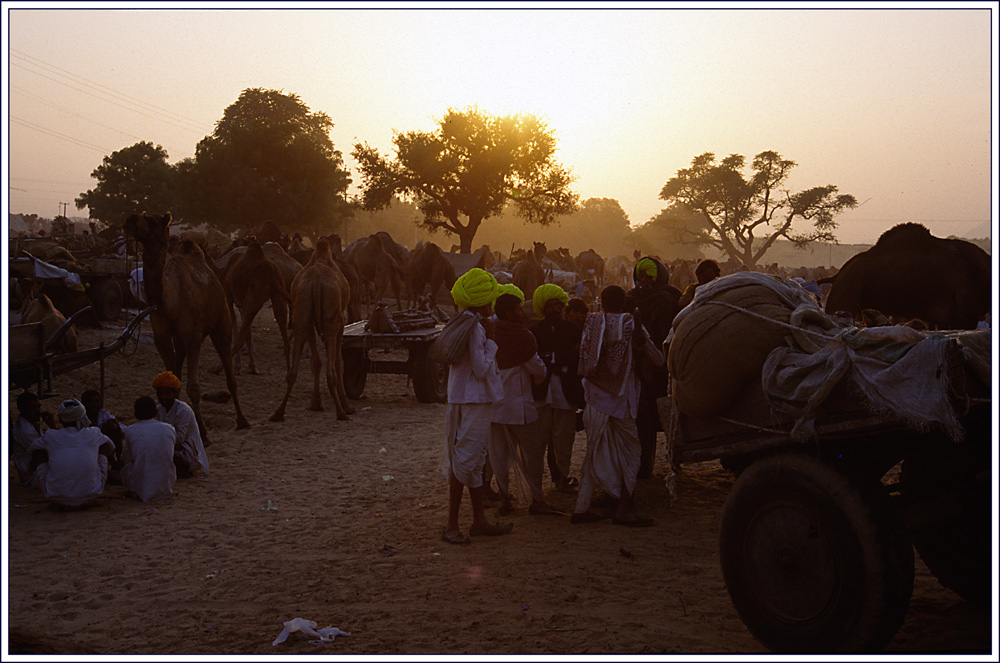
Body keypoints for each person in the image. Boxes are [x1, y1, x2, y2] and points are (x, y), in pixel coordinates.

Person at [572, 285, 664, 527]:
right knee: (631, 454)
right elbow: (657, 359)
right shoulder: (632, 324)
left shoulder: (591, 323)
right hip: (621, 401)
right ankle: (623, 509)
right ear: (624, 302)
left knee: (593, 453)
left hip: (594, 399)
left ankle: (581, 508)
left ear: (601, 302)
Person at [441, 268, 512, 544]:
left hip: (461, 398)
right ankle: (451, 526)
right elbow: (481, 368)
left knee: (473, 461)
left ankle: (478, 521)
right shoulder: (477, 327)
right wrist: (492, 339)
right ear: (483, 299)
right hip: (474, 400)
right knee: (466, 462)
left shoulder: (461, 320)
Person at [489, 291, 562, 517]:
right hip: (519, 406)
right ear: (510, 313)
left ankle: (504, 500)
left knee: (498, 455)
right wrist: (537, 378)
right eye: (520, 309)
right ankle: (537, 500)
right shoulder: (523, 337)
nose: (523, 312)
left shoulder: (489, 334)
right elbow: (538, 369)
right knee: (533, 453)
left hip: (495, 407)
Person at [626, 257, 681, 479]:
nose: (644, 281)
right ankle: (642, 465)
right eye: (641, 276)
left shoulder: (668, 298)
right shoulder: (629, 299)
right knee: (641, 417)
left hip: (662, 362)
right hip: (636, 365)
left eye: (649, 277)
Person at [530, 285, 585, 493]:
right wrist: (560, 358)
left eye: (558, 305)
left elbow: (576, 356)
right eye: (551, 305)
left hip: (565, 393)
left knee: (563, 440)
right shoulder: (534, 331)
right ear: (543, 308)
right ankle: (534, 482)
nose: (555, 309)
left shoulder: (573, 331)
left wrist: (550, 358)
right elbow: (534, 357)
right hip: (541, 394)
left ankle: (562, 477)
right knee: (538, 440)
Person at [28, 398, 115, 508]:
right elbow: (110, 446)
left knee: (39, 452)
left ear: (61, 419)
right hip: (91, 493)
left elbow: (32, 449)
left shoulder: (50, 436)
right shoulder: (93, 433)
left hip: (56, 496)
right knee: (103, 445)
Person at [152, 371, 210, 478]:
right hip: (170, 445)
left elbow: (180, 438)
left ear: (175, 393)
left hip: (186, 449)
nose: (163, 397)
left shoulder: (183, 410)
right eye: (160, 393)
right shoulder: (159, 408)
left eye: (167, 393)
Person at [121, 396, 177, 502]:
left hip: (140, 486)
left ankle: (134, 488)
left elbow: (127, 458)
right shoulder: (169, 428)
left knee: (127, 461)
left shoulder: (130, 430)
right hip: (166, 483)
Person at [10, 391, 54, 487]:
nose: (38, 411)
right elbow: (46, 452)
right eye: (33, 408)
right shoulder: (25, 431)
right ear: (22, 410)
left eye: (38, 406)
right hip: (32, 476)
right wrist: (53, 426)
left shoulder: (31, 424)